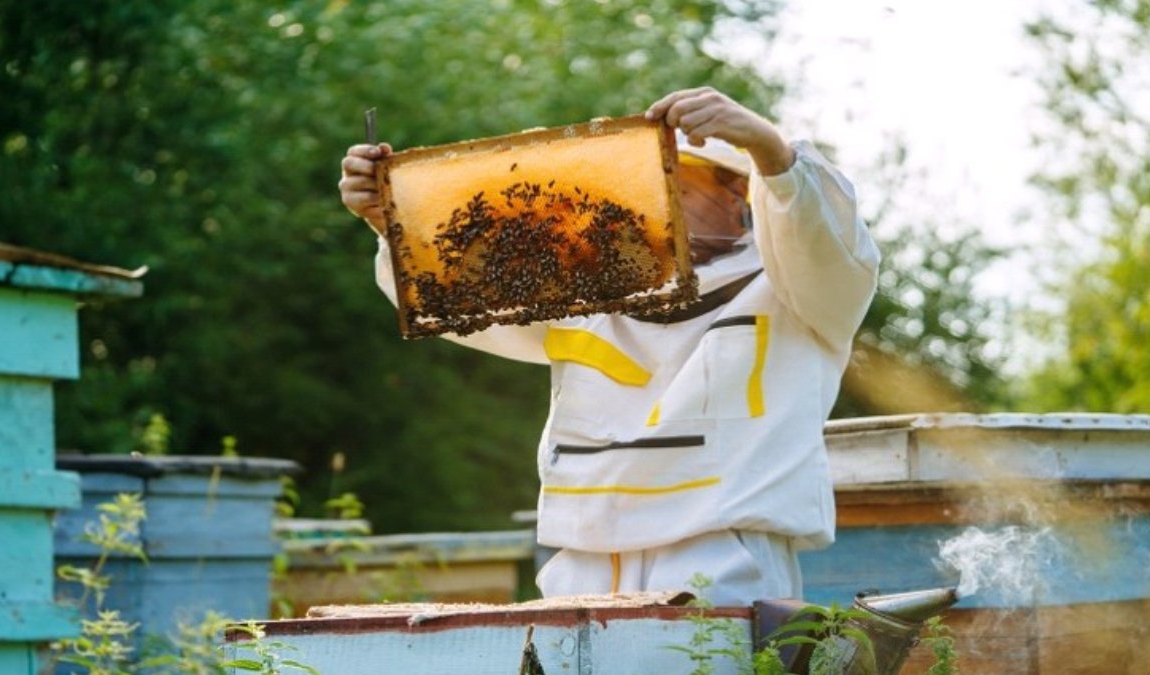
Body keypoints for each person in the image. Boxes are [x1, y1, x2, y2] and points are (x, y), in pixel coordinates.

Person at [339, 87, 880, 606]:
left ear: (738, 194)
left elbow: (829, 242)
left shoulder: (797, 289)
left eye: (675, 182)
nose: (647, 201)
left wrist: (772, 151)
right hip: (583, 558)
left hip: (719, 552)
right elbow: (464, 299)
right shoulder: (581, 287)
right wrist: (395, 223)